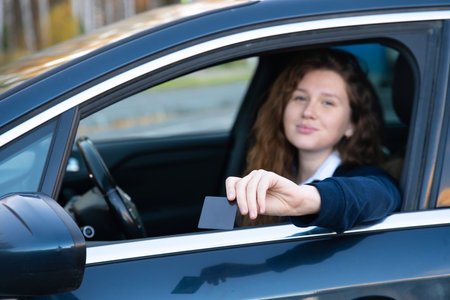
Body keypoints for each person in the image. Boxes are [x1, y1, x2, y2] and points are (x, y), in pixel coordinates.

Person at [225, 48, 402, 233]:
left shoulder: (368, 178)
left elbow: (382, 194)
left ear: (352, 124)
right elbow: (211, 234)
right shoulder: (265, 167)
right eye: (300, 98)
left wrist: (303, 199)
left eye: (327, 102)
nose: (308, 112)